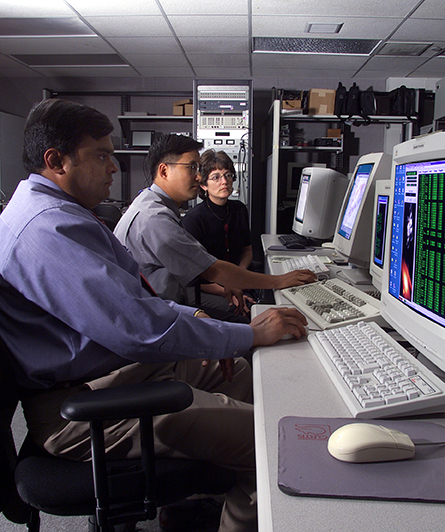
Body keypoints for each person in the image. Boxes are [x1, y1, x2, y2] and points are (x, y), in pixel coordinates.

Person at [0, 99, 310, 532]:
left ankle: (213, 486)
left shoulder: (62, 214)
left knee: (250, 379)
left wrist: (205, 327)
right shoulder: (47, 228)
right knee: (273, 442)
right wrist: (243, 335)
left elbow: (135, 302)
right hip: (85, 407)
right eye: (102, 155)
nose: (114, 167)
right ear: (56, 161)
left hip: (119, 372)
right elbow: (138, 330)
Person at [113, 134, 316, 319]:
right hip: (156, 315)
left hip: (162, 307)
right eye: (191, 167)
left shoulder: (150, 204)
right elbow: (213, 271)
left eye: (198, 169)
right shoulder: (155, 219)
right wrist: (279, 281)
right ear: (164, 171)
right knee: (253, 323)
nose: (199, 176)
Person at [182, 149, 255, 314]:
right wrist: (229, 289)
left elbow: (247, 250)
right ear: (203, 184)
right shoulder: (193, 219)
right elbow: (194, 276)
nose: (224, 181)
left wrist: (239, 277)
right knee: (244, 311)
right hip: (208, 288)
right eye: (216, 177)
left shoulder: (239, 209)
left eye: (228, 175)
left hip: (238, 281)